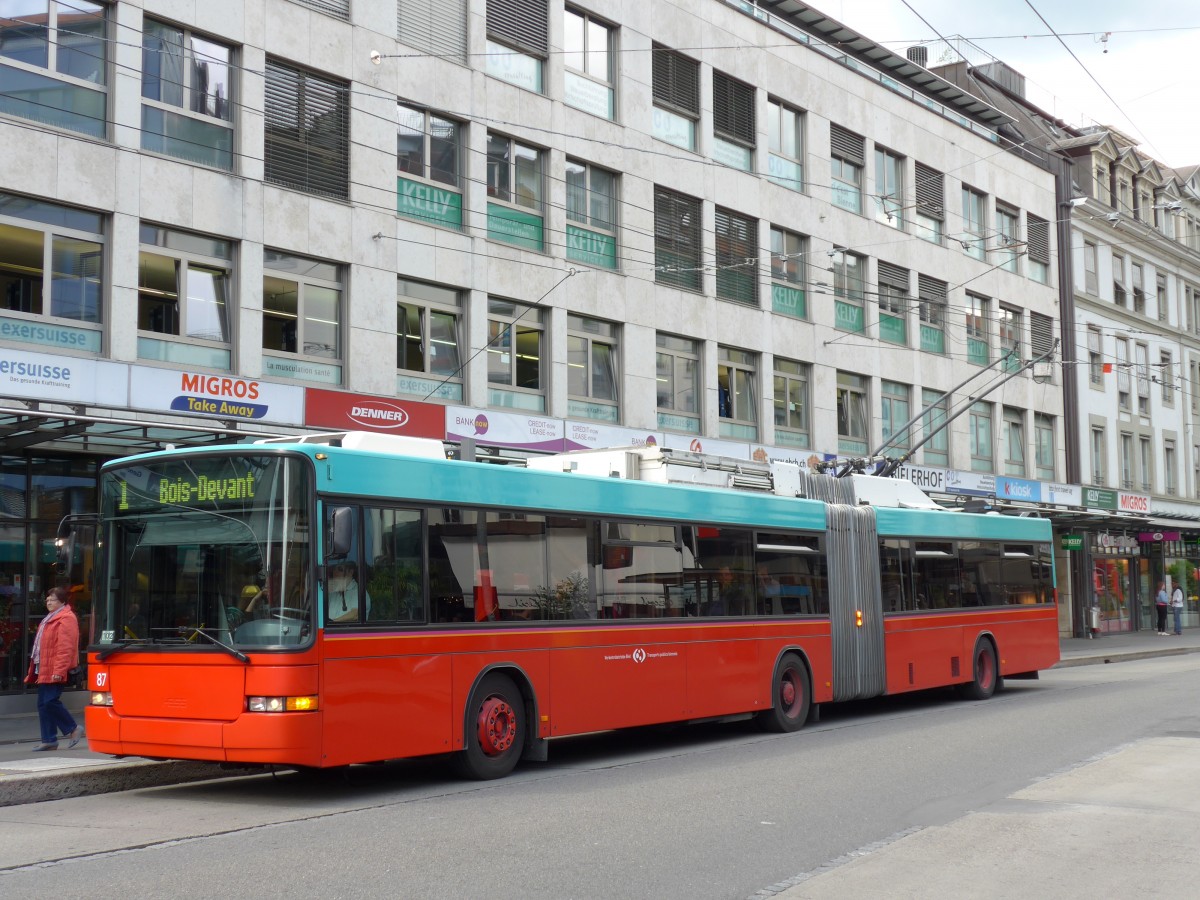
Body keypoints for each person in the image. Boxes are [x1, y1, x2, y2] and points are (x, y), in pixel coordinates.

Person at [25, 586, 84, 751]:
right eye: (47, 600)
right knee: (43, 704)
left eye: (53, 600)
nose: (49, 602)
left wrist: (59, 671)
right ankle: (49, 740)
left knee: (50, 701)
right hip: (44, 667)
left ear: (62, 601)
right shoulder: (50, 618)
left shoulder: (66, 618)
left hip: (55, 668)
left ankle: (72, 729)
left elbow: (66, 648)